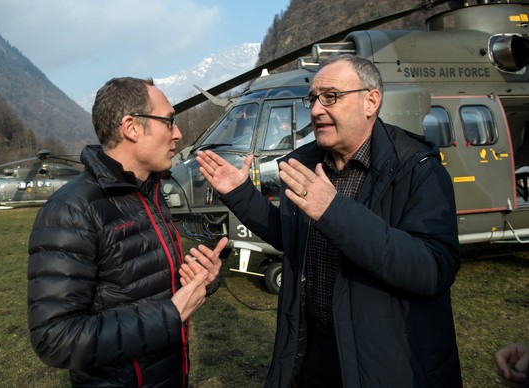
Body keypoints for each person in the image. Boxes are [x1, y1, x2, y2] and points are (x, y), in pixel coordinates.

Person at [196, 54, 462, 387]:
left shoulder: (419, 170)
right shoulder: (305, 166)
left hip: (386, 364)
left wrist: (333, 211)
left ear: (371, 101)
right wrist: (240, 194)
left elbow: (432, 270)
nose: (316, 110)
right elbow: (290, 238)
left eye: (330, 97)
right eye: (312, 99)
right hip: (315, 354)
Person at [27, 77, 227, 388]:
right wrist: (170, 315)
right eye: (169, 121)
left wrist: (201, 280)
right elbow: (55, 339)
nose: (178, 133)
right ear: (131, 127)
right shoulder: (71, 210)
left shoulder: (149, 191)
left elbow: (142, 291)